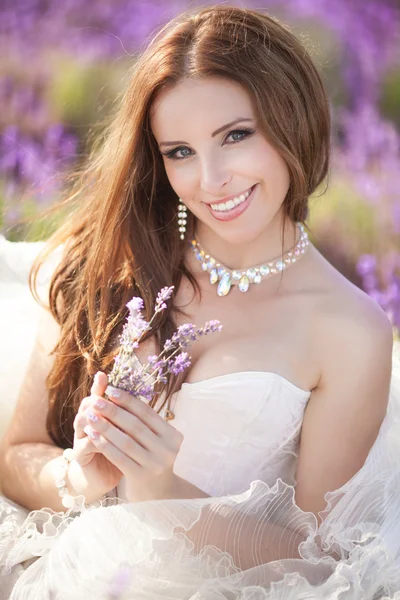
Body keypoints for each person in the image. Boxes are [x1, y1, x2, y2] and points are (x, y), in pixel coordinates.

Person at [1, 5, 400, 599]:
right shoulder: (108, 258)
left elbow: (322, 564)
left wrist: (162, 491)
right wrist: (77, 477)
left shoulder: (348, 331)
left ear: (295, 121)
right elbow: (14, 454)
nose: (211, 179)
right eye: (179, 152)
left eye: (236, 136)